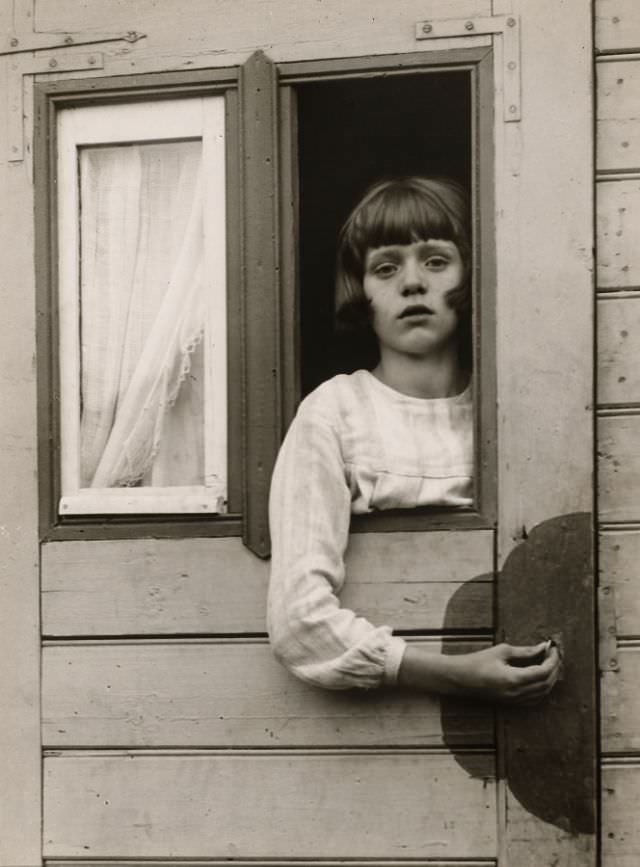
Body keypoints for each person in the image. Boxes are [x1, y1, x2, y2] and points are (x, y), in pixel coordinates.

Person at [267, 176, 560, 704]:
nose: (411, 283)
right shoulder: (333, 412)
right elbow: (297, 620)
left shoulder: (513, 407)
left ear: (470, 274)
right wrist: (451, 673)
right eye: (386, 267)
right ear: (361, 289)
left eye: (435, 260)